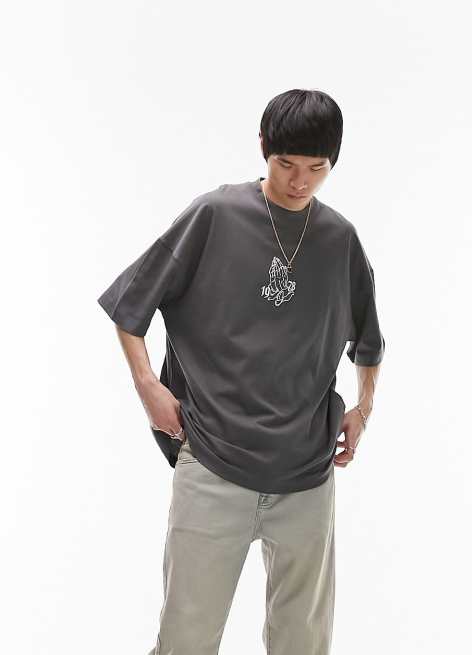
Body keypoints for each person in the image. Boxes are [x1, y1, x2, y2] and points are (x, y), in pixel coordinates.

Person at [97, 88, 385, 655]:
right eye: (286, 164)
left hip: (307, 473)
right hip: (214, 463)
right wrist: (149, 388)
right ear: (262, 148)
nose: (300, 182)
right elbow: (131, 306)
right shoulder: (215, 215)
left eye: (317, 168)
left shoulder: (340, 239)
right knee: (186, 640)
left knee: (304, 643)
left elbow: (369, 341)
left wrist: (364, 408)